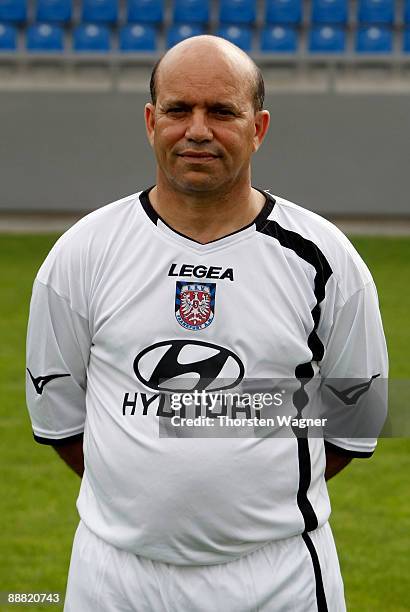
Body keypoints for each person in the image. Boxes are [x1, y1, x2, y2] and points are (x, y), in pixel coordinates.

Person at [26, 35, 388, 611]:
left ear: (259, 128)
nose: (197, 130)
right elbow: (62, 418)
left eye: (222, 111)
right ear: (150, 121)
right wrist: (144, 503)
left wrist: (244, 499)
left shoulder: (324, 258)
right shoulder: (83, 253)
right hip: (114, 576)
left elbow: (355, 417)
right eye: (178, 109)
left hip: (278, 576)